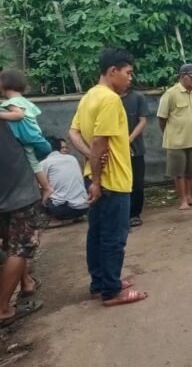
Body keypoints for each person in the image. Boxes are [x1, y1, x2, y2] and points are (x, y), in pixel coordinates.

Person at [68, 47, 147, 306]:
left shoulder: (90, 95)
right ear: (113, 71)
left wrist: (90, 159)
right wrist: (99, 179)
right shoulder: (111, 100)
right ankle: (112, 292)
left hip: (95, 177)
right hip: (111, 181)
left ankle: (100, 283)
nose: (130, 78)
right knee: (114, 236)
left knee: (97, 233)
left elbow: (74, 134)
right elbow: (101, 141)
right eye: (128, 72)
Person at [0, 120, 44, 326]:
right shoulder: (10, 116)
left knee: (10, 244)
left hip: (5, 196)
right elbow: (40, 145)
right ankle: (3, 309)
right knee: (20, 249)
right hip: (19, 194)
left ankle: (26, 283)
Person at [0, 69, 53, 203]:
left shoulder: (11, 103)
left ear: (5, 84)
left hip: (28, 138)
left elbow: (19, 115)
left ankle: (46, 187)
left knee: (34, 164)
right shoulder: (24, 101)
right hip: (35, 136)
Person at [157, 64, 192, 211]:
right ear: (183, 77)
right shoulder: (171, 94)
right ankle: (182, 200)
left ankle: (189, 197)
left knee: (191, 171)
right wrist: (169, 134)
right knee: (178, 172)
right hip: (176, 141)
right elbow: (162, 117)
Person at [40, 137, 89, 222]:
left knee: (41, 191)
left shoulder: (44, 163)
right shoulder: (72, 158)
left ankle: (53, 219)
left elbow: (45, 188)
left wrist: (43, 203)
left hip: (63, 210)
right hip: (84, 207)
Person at [121, 88, 148, 227]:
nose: (129, 78)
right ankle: (121, 213)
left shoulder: (138, 97)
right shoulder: (108, 97)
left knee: (137, 182)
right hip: (115, 150)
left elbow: (142, 120)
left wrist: (129, 139)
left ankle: (134, 213)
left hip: (135, 148)